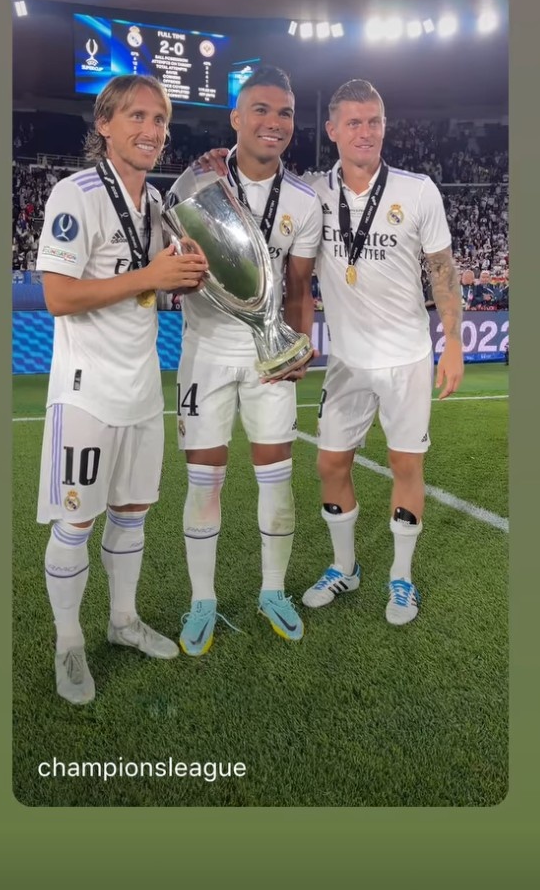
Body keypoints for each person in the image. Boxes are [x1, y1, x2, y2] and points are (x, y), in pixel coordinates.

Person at [35, 75, 208, 704]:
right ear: (104, 125)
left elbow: (152, 283)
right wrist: (151, 274)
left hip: (140, 390)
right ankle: (68, 642)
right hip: (86, 392)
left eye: (159, 119)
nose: (151, 130)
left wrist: (182, 277)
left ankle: (123, 620)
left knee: (132, 515)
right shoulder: (75, 194)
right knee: (76, 521)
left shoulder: (157, 204)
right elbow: (58, 296)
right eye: (136, 116)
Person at [299, 79, 464, 625]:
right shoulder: (312, 194)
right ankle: (344, 567)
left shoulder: (418, 191)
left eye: (374, 121)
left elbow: (442, 271)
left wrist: (453, 344)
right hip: (346, 360)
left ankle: (401, 577)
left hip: (406, 357)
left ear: (385, 126)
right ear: (332, 130)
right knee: (329, 463)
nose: (365, 132)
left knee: (404, 463)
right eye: (354, 122)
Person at [175, 65, 322, 655]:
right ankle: (202, 600)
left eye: (285, 112)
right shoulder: (196, 181)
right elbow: (174, 265)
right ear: (235, 117)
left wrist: (297, 346)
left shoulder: (304, 201)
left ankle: (273, 591)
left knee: (276, 482)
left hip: (268, 358)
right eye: (260, 109)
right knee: (203, 484)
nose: (274, 122)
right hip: (206, 352)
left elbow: (299, 289)